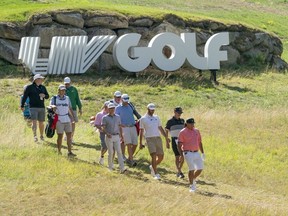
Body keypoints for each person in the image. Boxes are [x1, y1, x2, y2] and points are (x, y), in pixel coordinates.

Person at [139, 103, 170, 180]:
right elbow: (141, 131)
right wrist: (140, 143)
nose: (152, 111)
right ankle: (155, 173)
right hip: (149, 138)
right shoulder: (143, 119)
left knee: (161, 156)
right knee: (153, 155)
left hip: (157, 138)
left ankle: (153, 166)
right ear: (148, 109)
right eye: (151, 109)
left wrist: (166, 137)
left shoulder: (157, 117)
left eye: (153, 110)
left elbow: (160, 128)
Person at [178, 118, 205, 192]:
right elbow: (179, 144)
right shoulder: (183, 132)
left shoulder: (196, 131)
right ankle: (192, 186)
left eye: (193, 124)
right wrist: (181, 155)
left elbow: (199, 142)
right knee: (191, 169)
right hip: (188, 152)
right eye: (191, 124)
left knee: (200, 168)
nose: (193, 125)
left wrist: (202, 153)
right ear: (187, 124)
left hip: (196, 152)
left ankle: (192, 179)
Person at [21, 74, 49, 142]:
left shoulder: (43, 87)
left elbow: (47, 96)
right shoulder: (29, 87)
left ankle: (41, 136)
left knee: (41, 123)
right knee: (34, 122)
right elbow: (24, 96)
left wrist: (44, 95)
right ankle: (35, 136)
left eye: (42, 79)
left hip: (42, 107)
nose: (42, 80)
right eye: (41, 79)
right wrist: (22, 106)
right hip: (33, 107)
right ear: (36, 79)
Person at [50, 84, 76, 157]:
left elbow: (69, 108)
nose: (63, 91)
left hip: (67, 118)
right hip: (59, 119)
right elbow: (50, 106)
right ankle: (59, 151)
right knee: (60, 136)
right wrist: (53, 106)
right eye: (61, 90)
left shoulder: (67, 98)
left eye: (64, 90)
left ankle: (69, 151)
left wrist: (72, 118)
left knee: (69, 135)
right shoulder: (54, 98)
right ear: (58, 90)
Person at [101, 102, 127, 173]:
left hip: (116, 136)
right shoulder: (105, 118)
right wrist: (107, 133)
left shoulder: (118, 117)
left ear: (114, 109)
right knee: (111, 152)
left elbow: (119, 126)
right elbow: (103, 127)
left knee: (119, 152)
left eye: (113, 108)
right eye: (110, 108)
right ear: (108, 109)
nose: (112, 110)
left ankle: (122, 168)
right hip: (109, 136)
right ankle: (110, 167)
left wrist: (121, 135)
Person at [115, 94, 139, 166]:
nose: (126, 102)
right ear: (121, 100)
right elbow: (116, 118)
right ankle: (131, 161)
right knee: (128, 144)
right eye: (124, 101)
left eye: (127, 100)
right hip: (124, 128)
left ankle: (129, 158)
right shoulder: (118, 108)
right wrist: (120, 126)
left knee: (135, 144)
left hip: (132, 126)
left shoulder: (130, 105)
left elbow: (135, 113)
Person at [165, 107, 185, 179]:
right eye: (178, 113)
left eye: (180, 113)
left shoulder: (182, 121)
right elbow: (166, 130)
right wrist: (167, 140)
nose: (179, 114)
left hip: (182, 140)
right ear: (175, 112)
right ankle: (179, 171)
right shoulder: (170, 121)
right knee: (177, 156)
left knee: (182, 156)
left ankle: (179, 171)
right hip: (174, 140)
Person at [64, 77, 82, 143]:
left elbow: (77, 99)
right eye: (65, 84)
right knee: (66, 123)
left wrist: (80, 107)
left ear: (70, 82)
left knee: (73, 122)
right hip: (65, 109)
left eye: (68, 84)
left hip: (73, 108)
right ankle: (66, 136)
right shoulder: (62, 89)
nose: (67, 85)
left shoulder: (74, 89)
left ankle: (71, 137)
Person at [94, 100, 110, 165]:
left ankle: (110, 161)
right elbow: (96, 124)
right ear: (105, 107)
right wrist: (102, 129)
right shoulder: (99, 114)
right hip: (103, 133)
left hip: (111, 132)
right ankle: (102, 156)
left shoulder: (112, 114)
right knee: (104, 146)